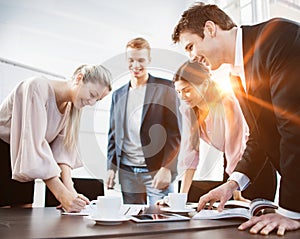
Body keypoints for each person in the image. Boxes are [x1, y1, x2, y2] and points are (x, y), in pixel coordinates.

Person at [172, 2, 300, 236]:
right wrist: (232, 185)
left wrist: (290, 210)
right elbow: (260, 137)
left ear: (210, 29)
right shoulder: (236, 77)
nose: (192, 57)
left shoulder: (277, 37)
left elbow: (294, 127)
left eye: (191, 46)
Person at [0, 64, 112, 212]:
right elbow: (33, 144)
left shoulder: (70, 107)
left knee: (22, 217)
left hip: (24, 159)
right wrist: (62, 195)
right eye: (92, 94)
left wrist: (70, 191)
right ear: (79, 78)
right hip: (5, 153)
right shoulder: (37, 87)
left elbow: (62, 153)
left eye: (96, 100)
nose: (91, 103)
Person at [173, 61, 276, 202]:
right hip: (230, 165)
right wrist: (181, 198)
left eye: (187, 90)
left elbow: (236, 147)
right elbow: (190, 153)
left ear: (204, 84)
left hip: (253, 164)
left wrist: (237, 193)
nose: (182, 96)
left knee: (255, 214)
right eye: (178, 92)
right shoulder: (187, 109)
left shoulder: (227, 102)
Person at [106, 37, 181, 205]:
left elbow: (175, 133)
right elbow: (113, 134)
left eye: (140, 60)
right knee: (132, 222)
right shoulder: (118, 95)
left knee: (162, 221)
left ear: (149, 60)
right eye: (131, 60)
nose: (136, 65)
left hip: (156, 170)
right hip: (127, 172)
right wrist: (111, 168)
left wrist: (167, 168)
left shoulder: (166, 88)